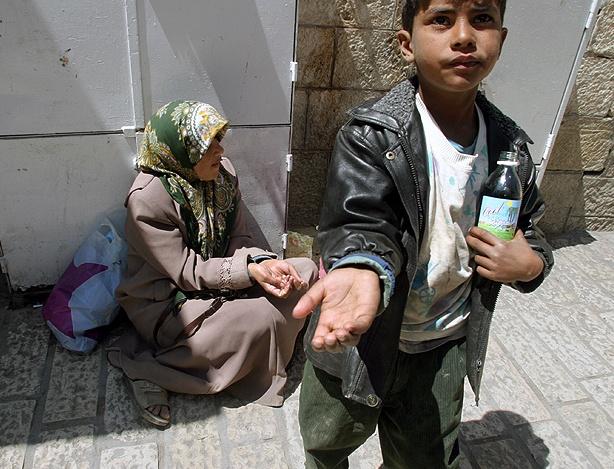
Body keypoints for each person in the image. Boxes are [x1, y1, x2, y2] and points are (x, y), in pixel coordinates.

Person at [292, 1, 555, 467]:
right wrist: (362, 267)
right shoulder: (371, 135)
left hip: (441, 346)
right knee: (326, 442)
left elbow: (527, 228)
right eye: (441, 19)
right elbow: (359, 220)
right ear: (406, 44)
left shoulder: (511, 149)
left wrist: (530, 262)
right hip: (359, 338)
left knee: (425, 456)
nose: (463, 36)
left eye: (481, 19)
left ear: (502, 38)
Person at [107, 100, 318, 428]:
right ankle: (149, 371)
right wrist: (248, 271)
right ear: (182, 151)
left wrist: (261, 263)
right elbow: (185, 270)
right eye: (208, 145)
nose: (219, 151)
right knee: (264, 318)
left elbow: (239, 238)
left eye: (220, 139)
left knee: (302, 272)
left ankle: (256, 346)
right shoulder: (146, 201)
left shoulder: (222, 175)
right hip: (171, 300)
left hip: (220, 280)